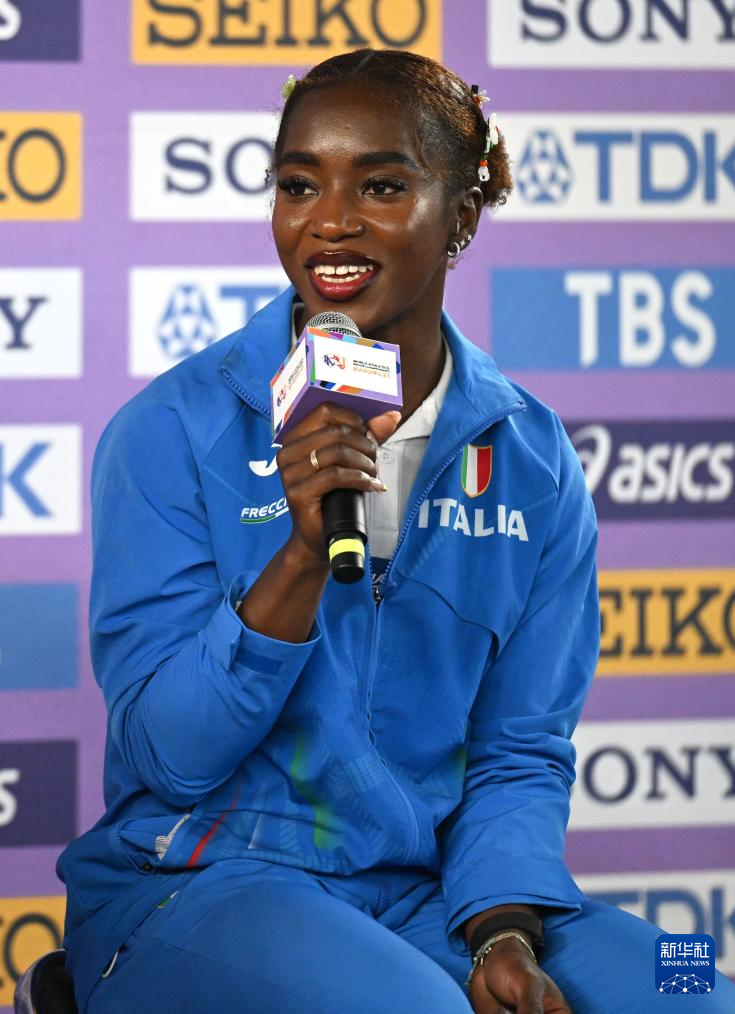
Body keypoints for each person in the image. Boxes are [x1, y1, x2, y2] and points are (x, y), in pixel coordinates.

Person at [57, 49, 734, 1013]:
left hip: (430, 898)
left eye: (379, 185)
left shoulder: (533, 454)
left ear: (461, 216)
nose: (328, 221)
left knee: (694, 990)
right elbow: (170, 758)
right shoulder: (171, 426)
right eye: (299, 184)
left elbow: (519, 748)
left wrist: (502, 927)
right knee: (418, 1010)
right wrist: (301, 556)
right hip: (199, 883)